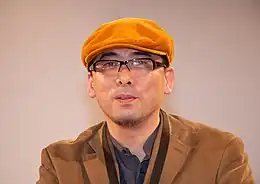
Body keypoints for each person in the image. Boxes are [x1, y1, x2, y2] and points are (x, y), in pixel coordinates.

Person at [36, 17, 254, 184]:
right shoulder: (60, 163)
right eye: (109, 65)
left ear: (168, 80)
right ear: (91, 84)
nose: (124, 78)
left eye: (141, 63)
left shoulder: (220, 152)